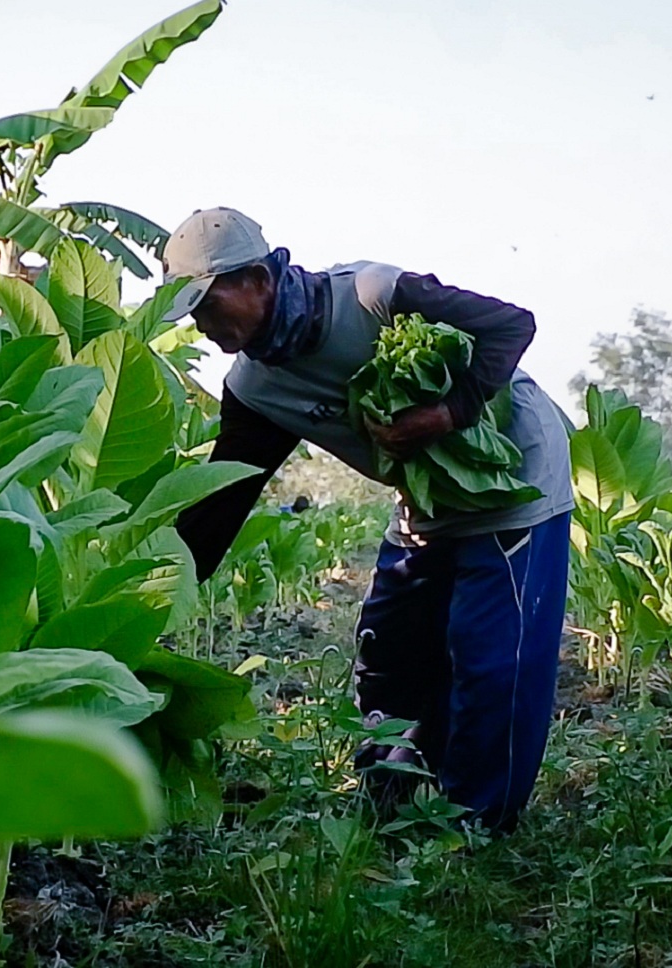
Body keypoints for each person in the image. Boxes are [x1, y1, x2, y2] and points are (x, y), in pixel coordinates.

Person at [168, 207, 573, 831]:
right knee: (389, 653)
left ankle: (477, 826)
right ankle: (395, 808)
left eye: (207, 305)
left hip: (515, 479)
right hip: (427, 500)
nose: (201, 324)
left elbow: (508, 325)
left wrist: (447, 412)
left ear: (255, 279)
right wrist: (157, 599)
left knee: (493, 665)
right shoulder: (255, 387)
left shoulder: (372, 296)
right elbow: (226, 496)